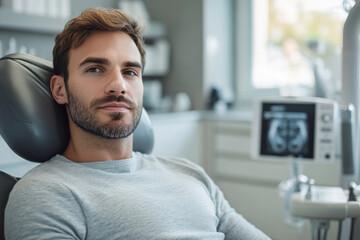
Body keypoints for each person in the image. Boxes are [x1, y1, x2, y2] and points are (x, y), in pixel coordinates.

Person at [5, 8, 271, 240]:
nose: (118, 86)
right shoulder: (46, 195)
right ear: (60, 90)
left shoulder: (190, 174)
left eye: (130, 72)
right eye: (95, 69)